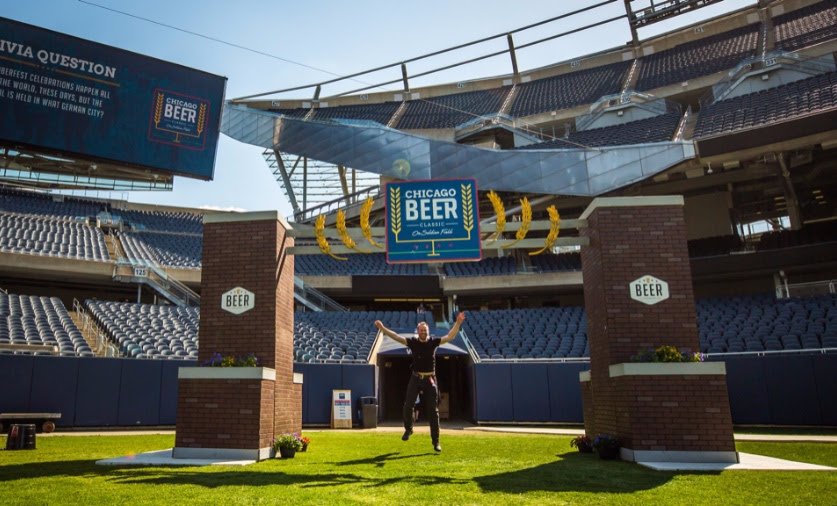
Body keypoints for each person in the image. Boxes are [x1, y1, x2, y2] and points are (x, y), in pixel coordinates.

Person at [374, 312, 466, 452]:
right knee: (407, 405)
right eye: (421, 330)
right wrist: (383, 328)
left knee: (433, 412)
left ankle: (436, 442)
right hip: (416, 378)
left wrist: (458, 323)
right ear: (418, 331)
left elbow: (450, 336)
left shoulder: (433, 342)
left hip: (430, 379)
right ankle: (408, 429)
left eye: (425, 330)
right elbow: (396, 337)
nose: (423, 332)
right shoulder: (413, 342)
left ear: (428, 332)